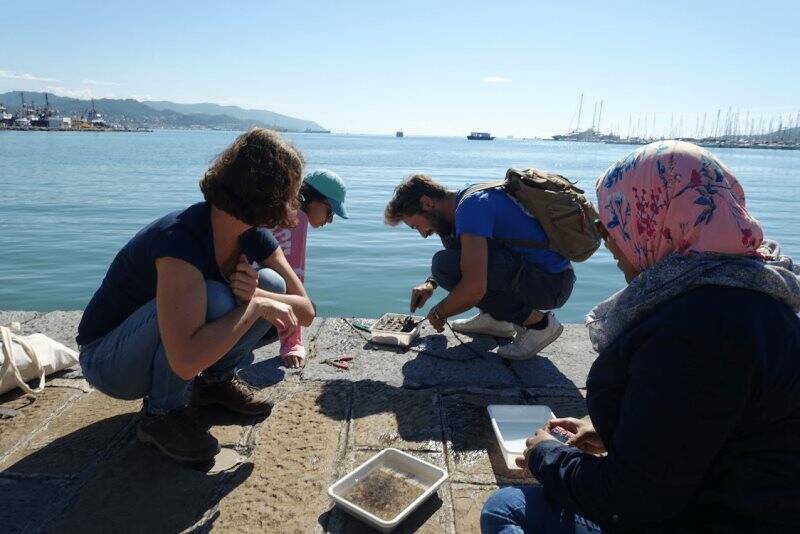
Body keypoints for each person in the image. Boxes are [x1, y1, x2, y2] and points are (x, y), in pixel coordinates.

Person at [481, 141, 800, 533]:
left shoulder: (695, 331)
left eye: (613, 221)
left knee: (506, 507)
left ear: (653, 216)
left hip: (713, 516)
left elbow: (632, 497)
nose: (606, 238)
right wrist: (612, 428)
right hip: (749, 499)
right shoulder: (756, 290)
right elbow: (714, 422)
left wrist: (544, 456)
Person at [76, 128, 316, 463]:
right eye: (292, 192)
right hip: (109, 362)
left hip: (167, 350)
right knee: (217, 297)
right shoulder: (181, 240)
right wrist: (255, 304)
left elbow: (305, 311)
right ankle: (160, 416)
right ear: (268, 195)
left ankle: (215, 385)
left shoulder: (252, 236)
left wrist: (259, 292)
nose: (296, 202)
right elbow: (186, 360)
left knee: (273, 284)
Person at [384, 175, 575, 359]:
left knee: (444, 265)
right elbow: (465, 256)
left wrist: (440, 312)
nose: (423, 234)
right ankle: (496, 319)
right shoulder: (460, 204)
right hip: (540, 276)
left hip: (551, 284)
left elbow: (474, 288)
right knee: (449, 257)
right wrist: (431, 284)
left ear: (427, 203)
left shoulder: (471, 207)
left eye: (417, 226)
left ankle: (538, 325)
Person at [273, 169, 349, 368]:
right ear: (313, 200)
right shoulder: (295, 219)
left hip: (235, 296)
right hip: (250, 299)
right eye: (330, 211)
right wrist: (292, 345)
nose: (330, 219)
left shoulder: (276, 206)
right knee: (308, 310)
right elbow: (293, 278)